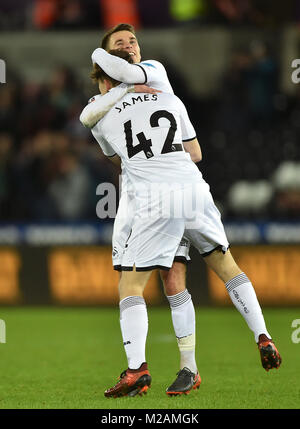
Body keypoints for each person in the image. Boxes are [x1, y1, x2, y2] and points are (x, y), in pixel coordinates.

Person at [80, 51, 281, 398]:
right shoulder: (170, 96)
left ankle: (136, 370)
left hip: (157, 197)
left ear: (105, 79)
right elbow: (196, 152)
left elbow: (112, 151)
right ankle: (261, 335)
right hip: (194, 187)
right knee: (220, 264)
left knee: (130, 284)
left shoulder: (101, 113)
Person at [80, 23, 202, 396]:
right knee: (131, 282)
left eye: (133, 40)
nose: (129, 45)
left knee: (171, 279)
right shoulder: (98, 110)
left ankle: (183, 368)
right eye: (119, 42)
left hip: (171, 194)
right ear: (105, 64)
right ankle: (139, 369)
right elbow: (116, 156)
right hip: (134, 203)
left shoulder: (156, 77)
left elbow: (193, 152)